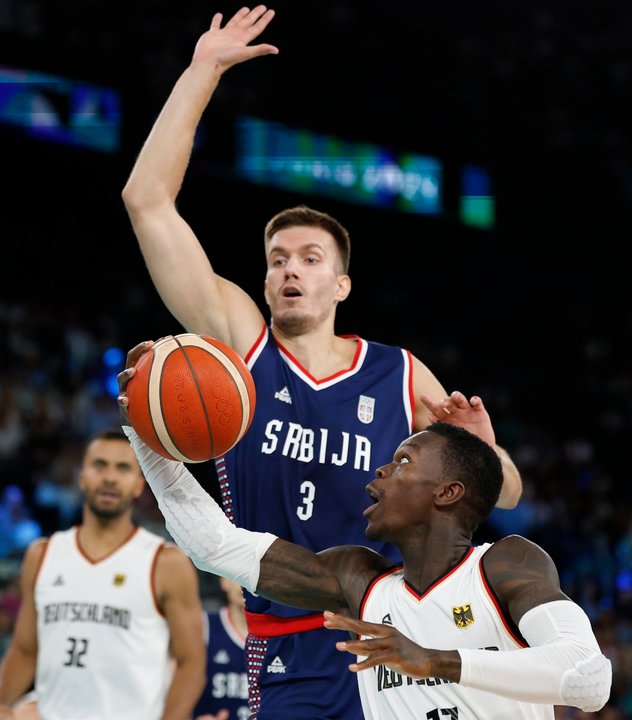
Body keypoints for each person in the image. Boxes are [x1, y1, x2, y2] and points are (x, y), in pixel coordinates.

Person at [120, 6, 523, 719]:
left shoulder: (397, 372)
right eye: (277, 260)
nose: (289, 271)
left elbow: (510, 493)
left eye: (309, 259)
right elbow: (146, 202)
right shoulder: (236, 343)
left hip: (391, 635)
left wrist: (486, 456)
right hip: (283, 639)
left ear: (340, 285)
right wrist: (201, 71)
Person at [116, 365, 611, 720]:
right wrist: (143, 426)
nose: (380, 469)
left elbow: (589, 678)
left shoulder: (506, 563)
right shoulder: (358, 579)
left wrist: (433, 660)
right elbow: (211, 543)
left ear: (448, 492)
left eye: (403, 461)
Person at [0, 427, 207, 720]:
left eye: (123, 468)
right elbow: (24, 650)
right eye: (100, 465)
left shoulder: (166, 563)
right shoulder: (42, 554)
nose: (110, 477)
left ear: (139, 484)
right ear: (81, 476)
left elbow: (191, 664)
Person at [194, 577, 249, 720]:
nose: (247, 583)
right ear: (223, 581)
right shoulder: (202, 626)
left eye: (254, 574)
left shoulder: (287, 636)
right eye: (240, 574)